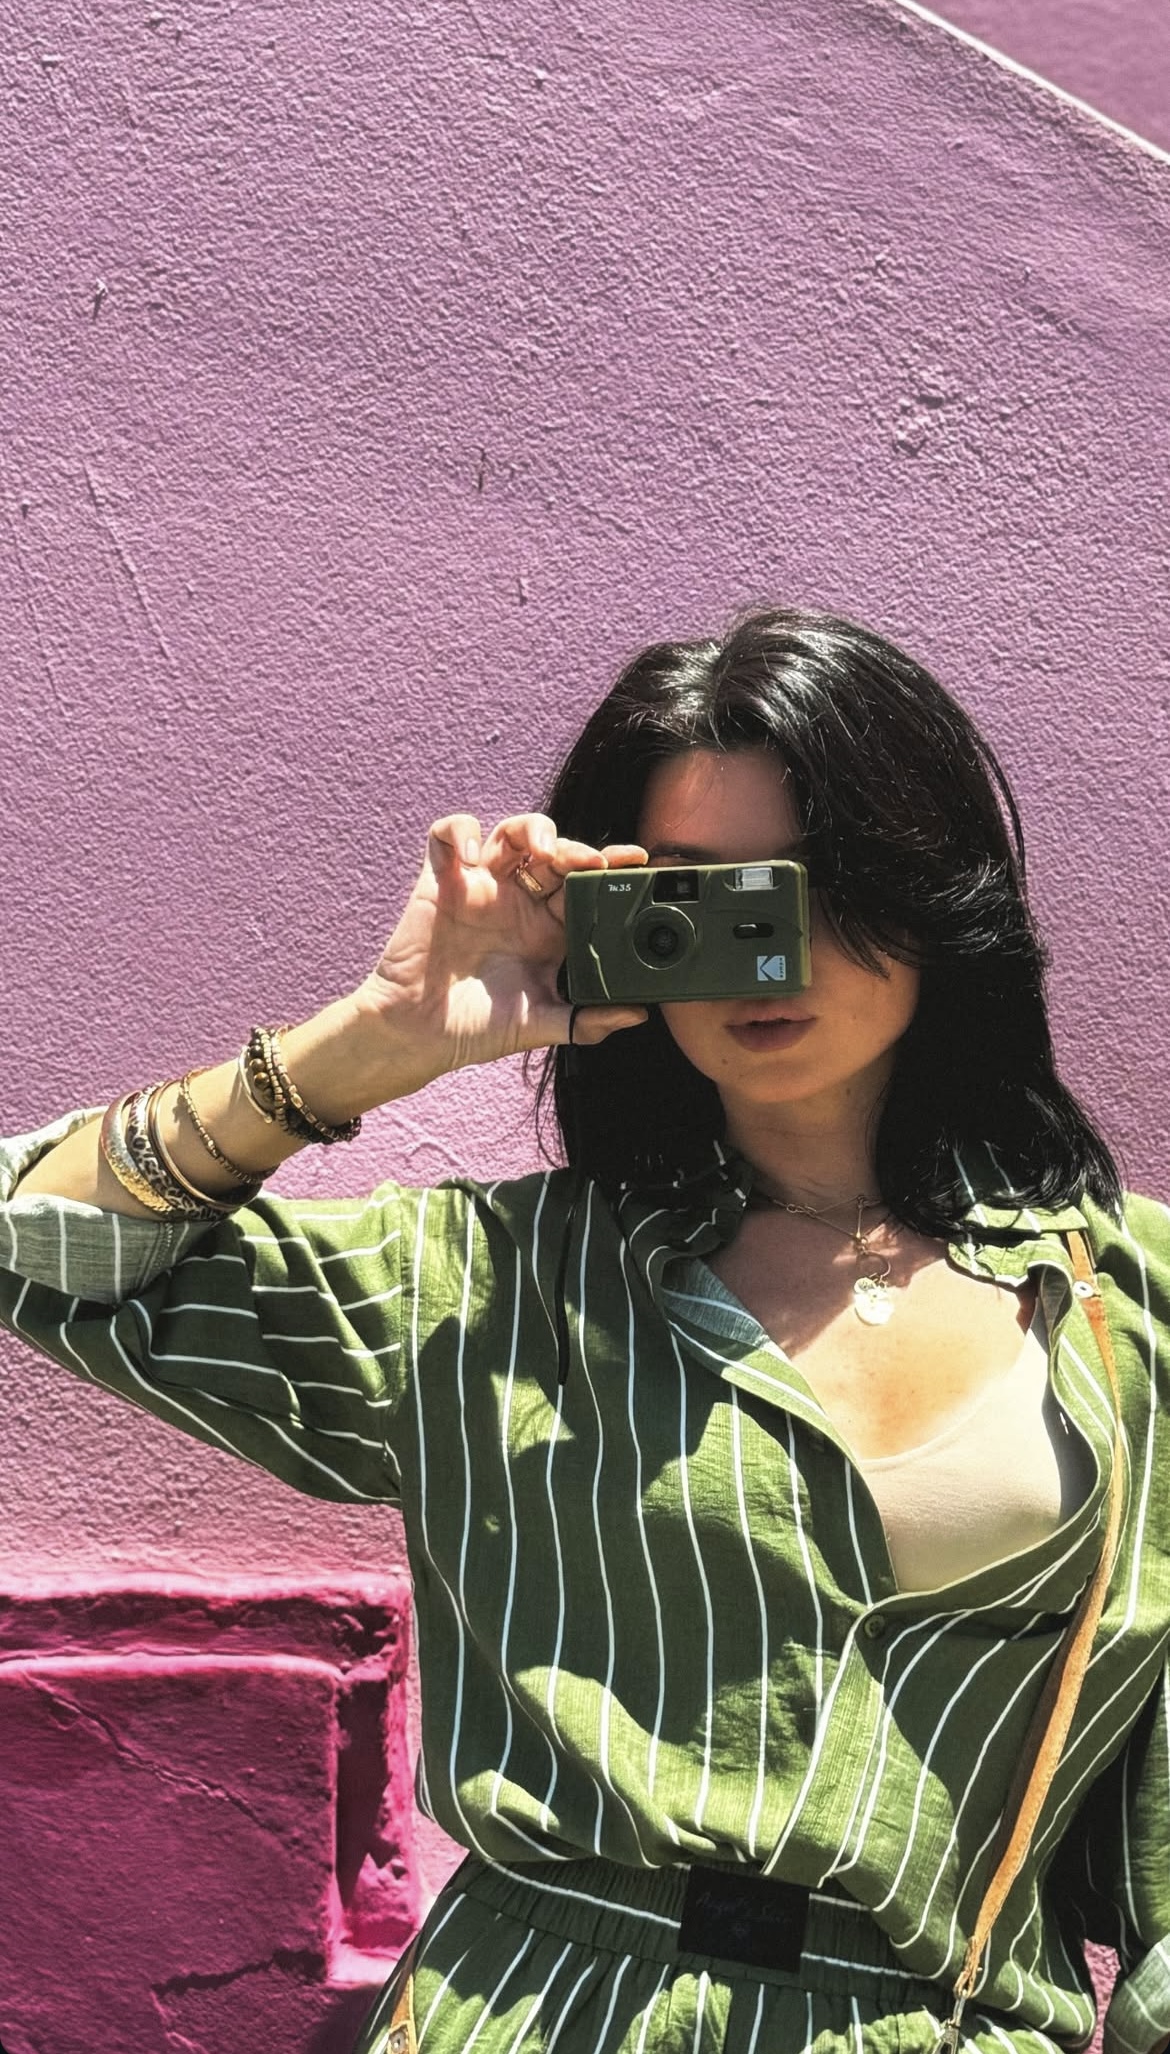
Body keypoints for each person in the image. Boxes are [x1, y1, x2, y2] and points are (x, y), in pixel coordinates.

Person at [2, 605, 1169, 2054]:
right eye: (692, 895)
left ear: (934, 896)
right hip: (542, 2007)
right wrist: (369, 1041)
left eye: (818, 880)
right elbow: (39, 1245)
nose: (766, 945)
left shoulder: (1125, 1303)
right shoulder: (489, 1279)